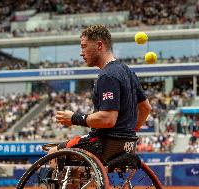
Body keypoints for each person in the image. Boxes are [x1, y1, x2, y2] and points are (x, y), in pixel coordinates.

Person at [48, 24, 151, 163]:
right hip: (127, 146)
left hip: (103, 146)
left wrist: (74, 118)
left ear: (99, 45)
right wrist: (128, 133)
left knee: (53, 153)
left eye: (84, 46)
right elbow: (146, 108)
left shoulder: (107, 76)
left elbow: (108, 119)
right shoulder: (128, 72)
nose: (81, 52)